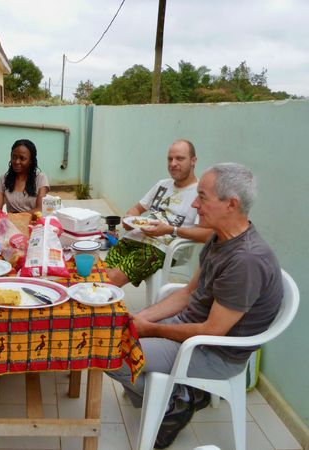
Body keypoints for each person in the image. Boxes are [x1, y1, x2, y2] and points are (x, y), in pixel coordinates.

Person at [106, 163, 283, 448]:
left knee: (107, 349)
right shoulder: (220, 236)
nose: (194, 203)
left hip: (215, 351)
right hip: (193, 328)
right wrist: (142, 318)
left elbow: (212, 330)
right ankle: (172, 393)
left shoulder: (246, 261)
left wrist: (152, 329)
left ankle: (172, 406)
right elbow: (189, 293)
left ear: (231, 204)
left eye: (203, 196)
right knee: (117, 330)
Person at [105, 139, 213, 287]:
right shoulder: (163, 184)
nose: (173, 163)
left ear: (193, 161)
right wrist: (129, 219)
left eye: (180, 158)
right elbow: (137, 209)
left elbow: (209, 234)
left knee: (111, 279)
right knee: (100, 271)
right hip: (134, 238)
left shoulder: (200, 193)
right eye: (170, 159)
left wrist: (170, 229)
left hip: (161, 249)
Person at [0, 139, 50, 214]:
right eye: (14, 157)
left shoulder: (40, 178)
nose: (17, 162)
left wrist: (14, 216)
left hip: (34, 224)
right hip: (10, 224)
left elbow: (39, 209)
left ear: (31, 160)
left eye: (22, 158)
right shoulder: (3, 179)